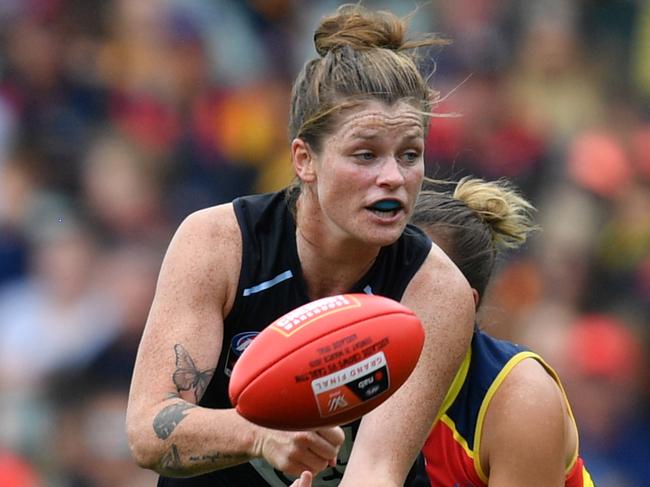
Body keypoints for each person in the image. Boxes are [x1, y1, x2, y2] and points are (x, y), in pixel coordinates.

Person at [125, 5, 475, 487]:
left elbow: (377, 469)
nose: (393, 177)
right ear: (304, 160)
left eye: (409, 154)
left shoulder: (437, 292)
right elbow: (147, 430)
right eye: (365, 154)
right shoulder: (217, 243)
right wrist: (260, 435)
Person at [411, 177, 595, 486]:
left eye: (411, 281)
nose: (383, 294)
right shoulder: (359, 376)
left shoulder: (519, 400)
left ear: (463, 305)